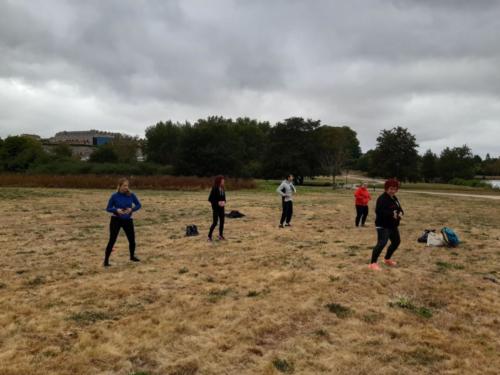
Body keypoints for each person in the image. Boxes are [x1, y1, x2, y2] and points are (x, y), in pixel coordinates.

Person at [103, 178, 142, 267]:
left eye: (127, 185)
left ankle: (132, 257)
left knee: (132, 240)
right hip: (116, 220)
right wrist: (116, 210)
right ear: (119, 186)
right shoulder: (114, 196)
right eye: (124, 185)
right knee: (112, 240)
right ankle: (106, 261)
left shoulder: (131, 195)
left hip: (128, 220)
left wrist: (131, 209)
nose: (126, 187)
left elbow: (139, 205)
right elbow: (108, 208)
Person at [369, 179, 404, 271]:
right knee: (382, 243)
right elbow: (379, 212)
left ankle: (387, 259)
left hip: (393, 225)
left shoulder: (394, 198)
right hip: (383, 225)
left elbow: (399, 208)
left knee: (396, 242)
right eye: (391, 189)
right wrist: (392, 214)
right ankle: (373, 263)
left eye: (395, 189)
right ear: (386, 188)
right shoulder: (382, 199)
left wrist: (401, 213)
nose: (392, 191)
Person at [208, 175, 226, 241]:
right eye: (222, 180)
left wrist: (224, 202)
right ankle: (209, 236)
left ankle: (220, 235)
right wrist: (217, 203)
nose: (223, 181)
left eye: (224, 180)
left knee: (222, 222)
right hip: (216, 208)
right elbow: (210, 199)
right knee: (215, 223)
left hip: (222, 208)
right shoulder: (214, 188)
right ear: (219, 181)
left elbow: (224, 198)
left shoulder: (223, 188)